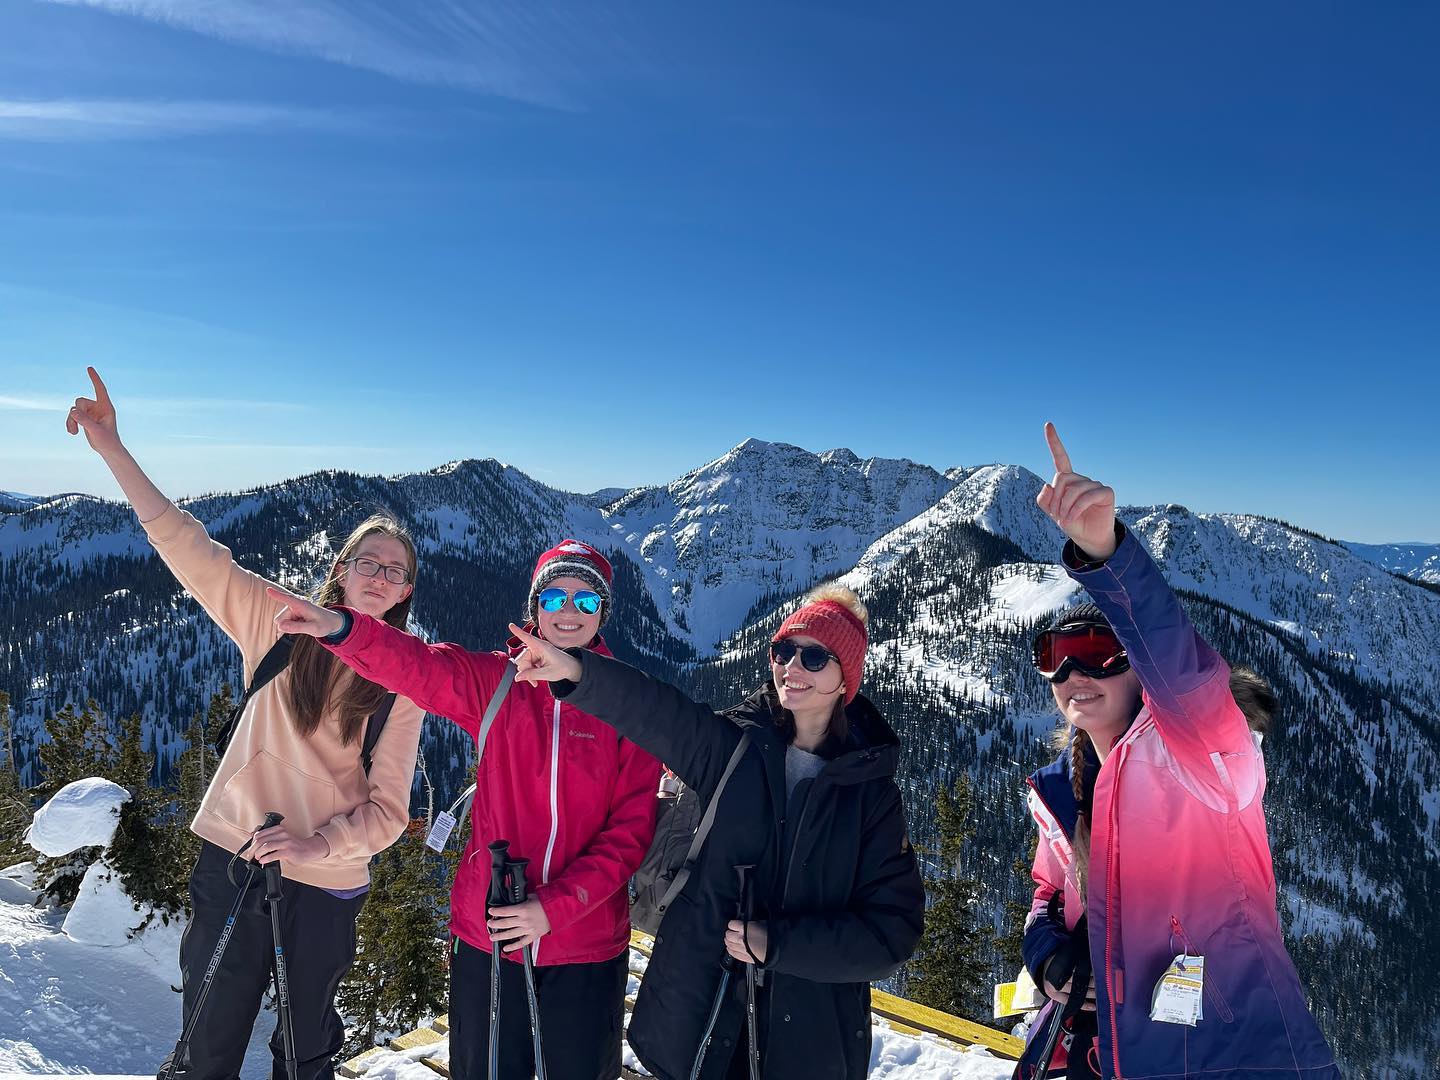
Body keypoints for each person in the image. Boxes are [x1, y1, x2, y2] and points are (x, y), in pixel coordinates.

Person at [65, 367, 425, 1080]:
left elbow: (388, 814)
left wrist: (316, 843)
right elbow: (189, 548)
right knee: (208, 1040)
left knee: (305, 1052)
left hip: (324, 883)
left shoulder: (404, 679)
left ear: (405, 592)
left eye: (395, 570)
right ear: (342, 569)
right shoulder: (278, 622)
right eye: (369, 562)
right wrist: (112, 449)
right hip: (233, 859)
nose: (380, 576)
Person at [266, 540, 661, 1080]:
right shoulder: (495, 683)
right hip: (489, 935)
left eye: (586, 600)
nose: (568, 611)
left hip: (584, 943)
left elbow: (630, 831)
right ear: (535, 606)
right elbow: (417, 665)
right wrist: (341, 628)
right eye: (554, 597)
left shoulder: (627, 703)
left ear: (603, 613)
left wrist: (554, 908)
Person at [1016, 422, 1339, 1079]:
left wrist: (1108, 556)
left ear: (1141, 671)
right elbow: (1048, 890)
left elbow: (1187, 680)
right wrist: (1047, 952)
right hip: (1096, 1050)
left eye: (1098, 654)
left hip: (1224, 1055)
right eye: (1055, 657)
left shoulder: (1205, 762)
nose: (1074, 674)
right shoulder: (1060, 787)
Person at [501, 583, 925, 1080]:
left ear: (845, 677)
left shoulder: (870, 794)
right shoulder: (734, 747)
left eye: (814, 658)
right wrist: (576, 670)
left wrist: (779, 944)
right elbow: (657, 711)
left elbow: (892, 931)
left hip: (807, 1038)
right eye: (784, 651)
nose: (792, 667)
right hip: (702, 1017)